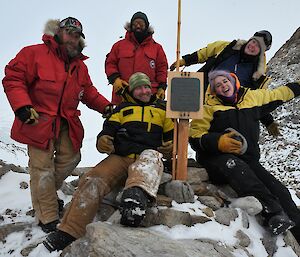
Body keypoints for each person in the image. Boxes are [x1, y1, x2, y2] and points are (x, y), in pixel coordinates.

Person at [2, 17, 113, 233]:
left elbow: (88, 92)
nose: (73, 38)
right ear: (58, 32)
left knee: (73, 158)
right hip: (37, 120)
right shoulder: (33, 53)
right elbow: (13, 78)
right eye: (69, 32)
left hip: (66, 122)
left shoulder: (79, 66)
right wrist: (22, 106)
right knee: (41, 169)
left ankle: (46, 196)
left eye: (77, 35)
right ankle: (48, 217)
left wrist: (106, 107)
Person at [42, 72, 174, 252]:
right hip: (120, 156)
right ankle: (69, 231)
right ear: (131, 91)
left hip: (149, 154)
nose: (144, 91)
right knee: (93, 179)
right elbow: (107, 131)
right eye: (138, 88)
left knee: (149, 161)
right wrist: (103, 140)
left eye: (146, 87)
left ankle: (135, 199)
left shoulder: (163, 110)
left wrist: (169, 147)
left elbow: (172, 139)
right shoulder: (120, 110)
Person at [189, 70, 300, 242]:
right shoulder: (208, 108)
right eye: (217, 85)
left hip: (248, 159)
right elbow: (194, 135)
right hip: (216, 159)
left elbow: (279, 94)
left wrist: (298, 86)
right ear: (214, 90)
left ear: (233, 81)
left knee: (280, 191)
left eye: (225, 81)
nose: (223, 86)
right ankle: (273, 213)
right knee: (237, 168)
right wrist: (218, 141)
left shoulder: (252, 98)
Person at [170, 30, 280, 137]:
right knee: (175, 116)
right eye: (254, 41)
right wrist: (185, 61)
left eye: (258, 47)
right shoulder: (227, 47)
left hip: (222, 110)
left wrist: (268, 121)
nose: (253, 46)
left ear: (261, 52)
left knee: (205, 135)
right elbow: (204, 52)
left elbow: (256, 100)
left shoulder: (257, 76)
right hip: (198, 90)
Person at [105, 11, 168, 105]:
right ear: (131, 26)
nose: (138, 26)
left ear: (147, 26)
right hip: (123, 96)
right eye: (135, 24)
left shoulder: (157, 48)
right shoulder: (119, 46)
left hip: (149, 98)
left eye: (141, 24)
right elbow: (110, 63)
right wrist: (115, 79)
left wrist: (162, 87)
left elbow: (162, 69)